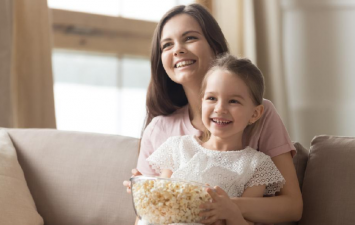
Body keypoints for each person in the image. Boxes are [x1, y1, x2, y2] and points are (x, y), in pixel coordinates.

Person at [123, 3, 303, 224]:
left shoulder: (261, 117)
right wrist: (148, 193)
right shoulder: (160, 131)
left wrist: (221, 205)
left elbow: (292, 207)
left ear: (215, 47)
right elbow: (144, 217)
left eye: (189, 38)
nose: (177, 49)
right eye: (167, 45)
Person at [145, 53, 286, 225]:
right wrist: (145, 190)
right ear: (201, 102)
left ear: (255, 113)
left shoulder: (256, 165)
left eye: (233, 101)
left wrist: (232, 212)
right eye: (211, 98)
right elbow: (161, 204)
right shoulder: (177, 147)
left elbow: (246, 221)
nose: (220, 109)